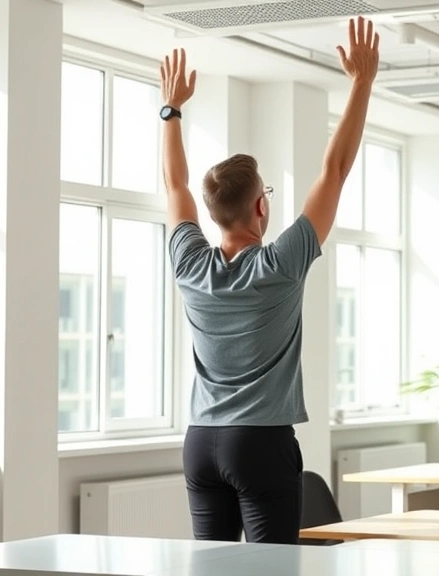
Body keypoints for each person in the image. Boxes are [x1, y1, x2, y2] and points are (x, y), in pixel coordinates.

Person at [156, 17, 380, 544]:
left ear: (213, 215)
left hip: (201, 441)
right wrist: (362, 82)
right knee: (272, 568)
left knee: (213, 569)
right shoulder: (280, 265)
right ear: (260, 207)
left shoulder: (189, 264)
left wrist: (172, 109)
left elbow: (174, 183)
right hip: (259, 443)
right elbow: (335, 169)